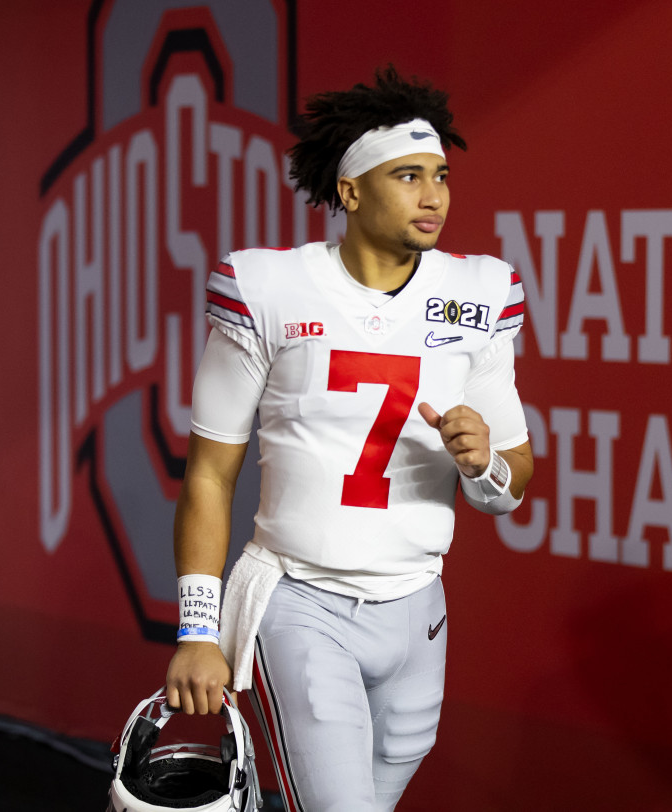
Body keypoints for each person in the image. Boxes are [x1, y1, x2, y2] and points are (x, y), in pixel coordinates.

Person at [163, 66, 534, 811]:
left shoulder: (481, 294)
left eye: (440, 175)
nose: (434, 195)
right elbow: (209, 473)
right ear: (351, 190)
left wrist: (484, 462)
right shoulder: (266, 287)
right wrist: (198, 629)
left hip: (419, 610)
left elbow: (512, 486)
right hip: (301, 600)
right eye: (408, 175)